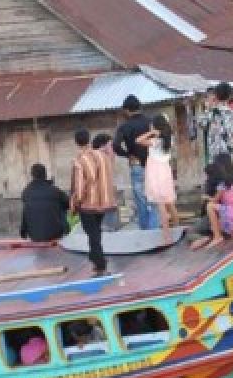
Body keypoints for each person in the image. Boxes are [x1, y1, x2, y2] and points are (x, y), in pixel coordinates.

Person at [70, 128, 115, 276]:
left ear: (77, 143)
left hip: (88, 204)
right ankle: (98, 259)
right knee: (96, 232)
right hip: (104, 203)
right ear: (89, 139)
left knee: (93, 235)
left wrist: (75, 203)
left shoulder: (79, 161)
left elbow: (80, 187)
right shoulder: (103, 156)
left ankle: (99, 263)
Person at [112, 96, 159, 230]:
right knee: (154, 200)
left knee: (141, 201)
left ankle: (145, 233)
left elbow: (115, 145)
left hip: (137, 165)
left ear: (126, 110)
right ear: (140, 107)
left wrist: (128, 155)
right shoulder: (151, 122)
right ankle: (154, 233)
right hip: (153, 164)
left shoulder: (124, 126)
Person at [194, 161, 233, 250]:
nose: (206, 178)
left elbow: (215, 200)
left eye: (207, 175)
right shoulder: (227, 182)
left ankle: (217, 237)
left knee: (210, 206)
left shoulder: (221, 185)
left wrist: (206, 197)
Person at [138, 114, 180, 234]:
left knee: (160, 203)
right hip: (165, 170)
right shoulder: (169, 139)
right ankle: (177, 228)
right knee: (169, 202)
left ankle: (166, 232)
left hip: (155, 171)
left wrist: (151, 133)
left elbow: (138, 140)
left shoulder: (156, 141)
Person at [198, 83, 233, 176]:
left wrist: (209, 106)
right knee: (230, 184)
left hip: (215, 158)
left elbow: (201, 124)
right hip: (230, 157)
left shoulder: (210, 114)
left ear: (216, 96)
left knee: (218, 186)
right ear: (229, 96)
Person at [19, 163, 69, 242]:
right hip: (55, 233)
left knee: (28, 207)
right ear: (45, 174)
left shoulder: (26, 192)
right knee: (61, 207)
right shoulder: (55, 190)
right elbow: (68, 204)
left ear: (32, 175)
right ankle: (65, 230)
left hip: (34, 235)